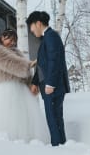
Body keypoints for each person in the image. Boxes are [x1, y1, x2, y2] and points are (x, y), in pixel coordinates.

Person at [0, 29, 49, 143]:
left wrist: (32, 85)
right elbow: (10, 63)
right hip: (6, 88)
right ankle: (11, 141)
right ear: (1, 38)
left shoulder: (17, 53)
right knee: (10, 116)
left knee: (24, 116)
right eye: (9, 39)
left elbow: (25, 73)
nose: (12, 42)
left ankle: (28, 139)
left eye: (14, 40)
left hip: (20, 88)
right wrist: (29, 64)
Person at [27, 11, 70, 146]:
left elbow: (54, 61)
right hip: (49, 86)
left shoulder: (51, 36)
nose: (32, 32)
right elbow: (42, 64)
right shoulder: (47, 38)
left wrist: (50, 84)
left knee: (54, 119)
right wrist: (35, 82)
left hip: (53, 87)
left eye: (32, 29)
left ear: (38, 23)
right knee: (54, 118)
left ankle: (58, 147)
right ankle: (61, 146)